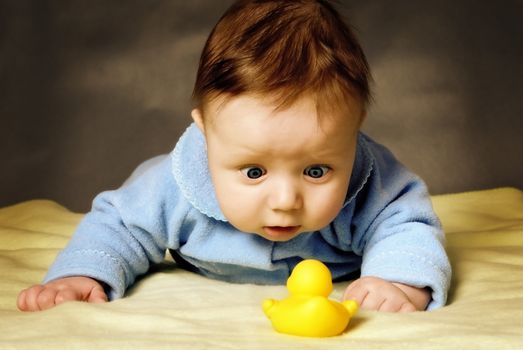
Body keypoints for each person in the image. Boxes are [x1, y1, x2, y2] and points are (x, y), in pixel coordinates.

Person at [17, 0, 451, 313]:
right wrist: (84, 275)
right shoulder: (173, 186)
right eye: (254, 171)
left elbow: (405, 223)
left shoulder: (373, 182)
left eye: (316, 170)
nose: (285, 200)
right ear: (206, 136)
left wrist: (398, 279)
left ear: (352, 136)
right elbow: (118, 226)